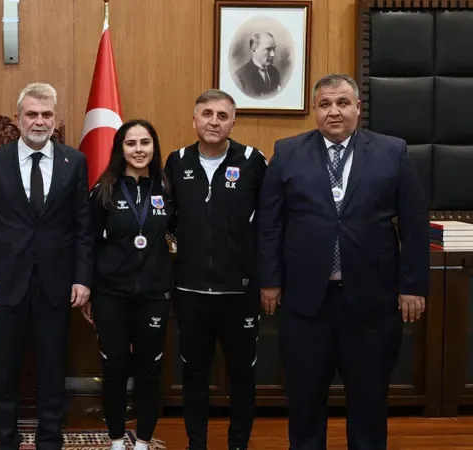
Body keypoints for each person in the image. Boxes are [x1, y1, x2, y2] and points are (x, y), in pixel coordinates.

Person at [257, 73, 429, 449]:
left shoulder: (392, 151)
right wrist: (270, 280)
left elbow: (415, 224)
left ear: (358, 108)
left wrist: (412, 286)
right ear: (315, 110)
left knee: (369, 400)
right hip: (306, 302)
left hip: (372, 300)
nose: (334, 111)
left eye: (342, 103)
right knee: (304, 399)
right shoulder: (287, 152)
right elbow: (270, 224)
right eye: (325, 104)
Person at [0, 82, 94, 450]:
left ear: (55, 119)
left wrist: (82, 278)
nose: (39, 121)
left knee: (52, 371)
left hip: (56, 284)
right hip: (5, 284)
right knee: (4, 372)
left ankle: (49, 441)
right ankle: (5, 442)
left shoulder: (75, 162)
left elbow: (83, 228)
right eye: (32, 114)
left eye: (46, 114)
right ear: (18, 118)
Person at [163, 89, 268, 450]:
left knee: (243, 373)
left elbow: (269, 221)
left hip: (240, 291)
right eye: (207, 114)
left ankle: (238, 444)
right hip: (191, 291)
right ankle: (197, 443)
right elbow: (167, 217)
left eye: (222, 116)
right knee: (194, 373)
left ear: (233, 123)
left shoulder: (253, 161)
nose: (214, 121)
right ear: (194, 120)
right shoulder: (177, 161)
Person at [85, 120, 174, 450]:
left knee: (151, 371)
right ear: (120, 149)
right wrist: (89, 290)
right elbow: (88, 242)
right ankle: (116, 440)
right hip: (111, 295)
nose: (139, 150)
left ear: (154, 147)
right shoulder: (104, 189)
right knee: (115, 369)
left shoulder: (166, 188)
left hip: (154, 295)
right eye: (131, 143)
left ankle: (143, 442)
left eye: (145, 143)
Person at [234, 32, 281, 98]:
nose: (273, 54)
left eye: (274, 49)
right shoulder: (239, 76)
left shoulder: (274, 72)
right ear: (254, 50)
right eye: (268, 49)